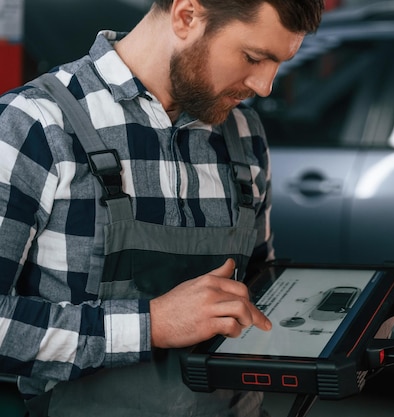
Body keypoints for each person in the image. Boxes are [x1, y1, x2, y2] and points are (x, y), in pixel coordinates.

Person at [0, 0, 324, 416]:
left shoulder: (245, 134)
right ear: (187, 15)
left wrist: (348, 328)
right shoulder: (36, 126)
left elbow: (258, 295)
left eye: (278, 63)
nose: (264, 86)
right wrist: (152, 324)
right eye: (254, 57)